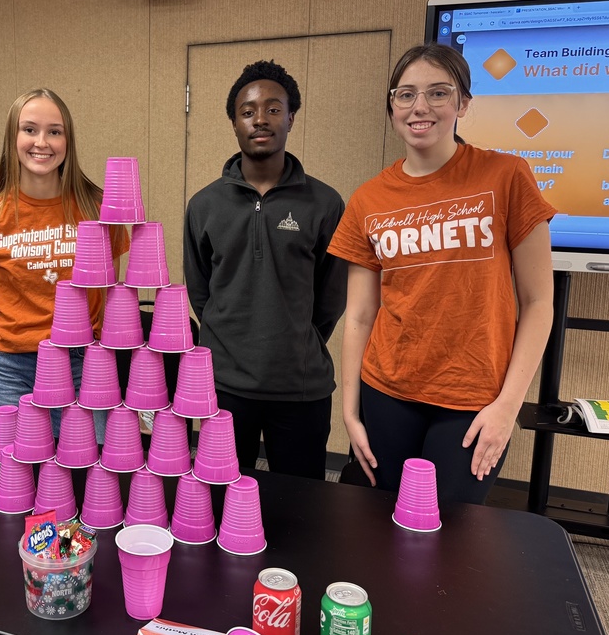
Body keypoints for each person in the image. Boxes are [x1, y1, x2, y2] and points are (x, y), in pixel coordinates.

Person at [328, 43, 556, 504]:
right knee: (384, 519)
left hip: (473, 398)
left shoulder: (506, 176)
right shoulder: (368, 199)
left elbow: (538, 303)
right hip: (386, 392)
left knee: (449, 530)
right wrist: (349, 412)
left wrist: (507, 407)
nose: (420, 107)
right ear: (392, 106)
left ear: (463, 104)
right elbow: (360, 315)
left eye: (438, 92)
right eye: (406, 94)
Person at [183, 60, 347, 479]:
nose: (260, 119)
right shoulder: (204, 206)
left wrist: (296, 339)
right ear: (234, 123)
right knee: (220, 496)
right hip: (224, 386)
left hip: (301, 387)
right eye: (248, 111)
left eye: (274, 109)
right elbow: (200, 292)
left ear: (291, 118)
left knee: (300, 503)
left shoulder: (325, 204)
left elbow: (331, 297)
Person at [0, 88, 129, 439]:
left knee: (88, 467)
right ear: (13, 137)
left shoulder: (98, 210)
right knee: (19, 469)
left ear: (68, 141)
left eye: (55, 131)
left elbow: (110, 296)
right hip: (12, 369)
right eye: (29, 129)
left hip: (82, 364)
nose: (42, 142)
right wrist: (1, 361)